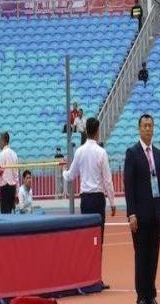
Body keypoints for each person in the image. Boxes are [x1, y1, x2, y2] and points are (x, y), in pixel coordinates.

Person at [63, 117, 116, 289]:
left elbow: (71, 175)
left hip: (85, 199)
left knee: (87, 238)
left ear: (86, 130)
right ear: (97, 131)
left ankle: (86, 277)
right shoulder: (101, 152)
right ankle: (97, 277)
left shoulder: (79, 152)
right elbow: (107, 180)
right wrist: (112, 201)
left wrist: (63, 171)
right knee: (98, 238)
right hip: (98, 198)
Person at [124, 114, 160, 304]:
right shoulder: (132, 153)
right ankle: (142, 295)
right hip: (140, 215)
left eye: (150, 125)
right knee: (141, 256)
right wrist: (131, 213)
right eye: (145, 126)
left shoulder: (157, 154)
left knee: (153, 256)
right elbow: (128, 186)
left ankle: (151, 293)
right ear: (139, 129)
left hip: (156, 214)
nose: (148, 129)